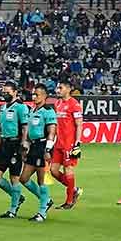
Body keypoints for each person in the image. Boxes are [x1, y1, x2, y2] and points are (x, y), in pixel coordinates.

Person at [19, 83, 57, 222]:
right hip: (33, 147)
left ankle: (42, 212)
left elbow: (52, 131)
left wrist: (48, 149)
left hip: (42, 146)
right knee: (24, 178)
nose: (34, 97)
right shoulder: (32, 111)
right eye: (33, 94)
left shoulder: (48, 111)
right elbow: (29, 131)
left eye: (37, 94)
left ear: (45, 96)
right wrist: (25, 145)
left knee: (42, 181)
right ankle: (46, 200)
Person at [0, 82, 30, 218]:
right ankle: (17, 196)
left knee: (14, 177)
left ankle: (13, 209)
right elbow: (0, 128)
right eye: (3, 92)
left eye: (7, 92)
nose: (5, 94)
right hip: (4, 145)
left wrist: (24, 143)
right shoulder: (3, 107)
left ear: (15, 92)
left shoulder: (21, 107)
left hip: (16, 144)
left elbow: (25, 127)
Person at [51, 81, 84, 209]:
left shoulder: (74, 104)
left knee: (68, 170)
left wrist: (77, 143)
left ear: (69, 89)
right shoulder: (57, 103)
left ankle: (69, 201)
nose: (57, 90)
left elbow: (79, 124)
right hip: (59, 143)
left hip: (69, 144)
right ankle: (74, 189)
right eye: (57, 87)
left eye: (61, 87)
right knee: (53, 171)